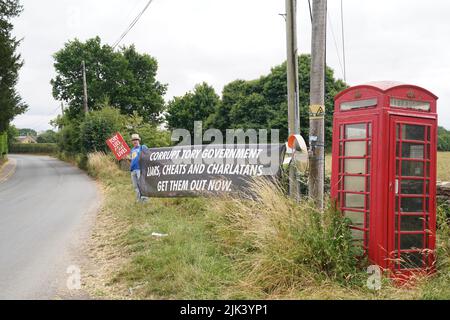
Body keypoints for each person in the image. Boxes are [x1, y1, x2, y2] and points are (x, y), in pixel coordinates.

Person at [129, 133, 148, 202]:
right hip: (133, 170)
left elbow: (148, 155)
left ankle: (145, 200)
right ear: (132, 141)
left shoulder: (143, 147)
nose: (135, 141)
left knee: (142, 184)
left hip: (140, 169)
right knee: (136, 186)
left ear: (139, 140)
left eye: (136, 140)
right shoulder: (132, 150)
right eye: (133, 140)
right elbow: (132, 159)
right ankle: (139, 200)